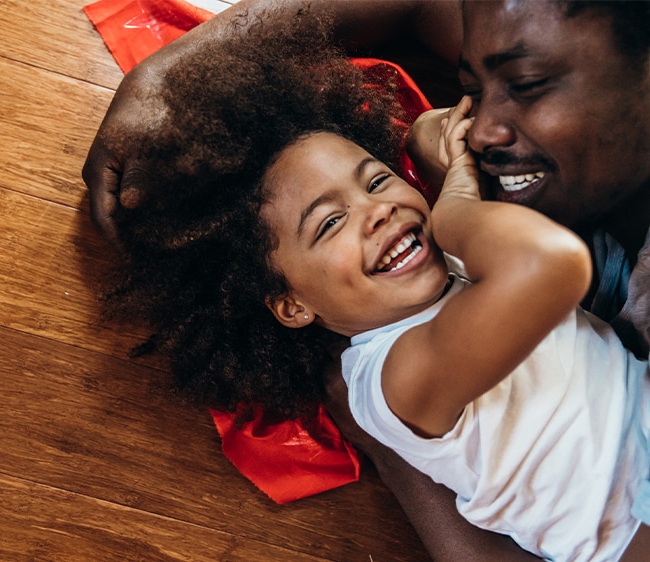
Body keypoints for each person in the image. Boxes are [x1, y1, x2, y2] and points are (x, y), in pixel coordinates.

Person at [83, 1, 650, 559]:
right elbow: (546, 264)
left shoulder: (446, 276)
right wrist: (453, 209)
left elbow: (438, 143)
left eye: (377, 182)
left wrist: (431, 153)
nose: (375, 211)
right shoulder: (392, 380)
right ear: (291, 305)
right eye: (329, 223)